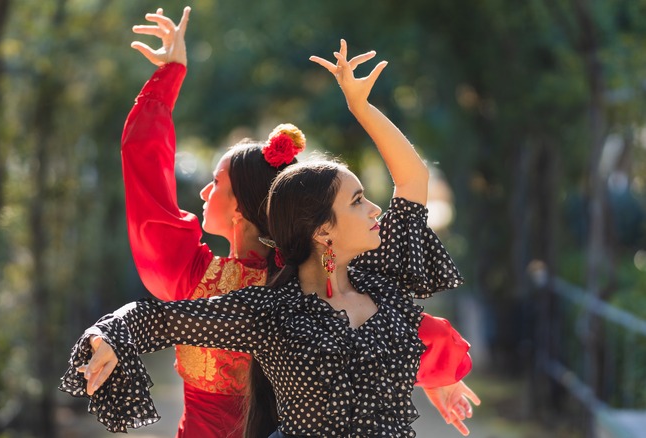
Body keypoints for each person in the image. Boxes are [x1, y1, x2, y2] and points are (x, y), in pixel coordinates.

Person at [61, 10, 479, 435]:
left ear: (242, 204)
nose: (204, 192)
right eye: (358, 201)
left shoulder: (317, 284)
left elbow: (403, 328)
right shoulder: (279, 297)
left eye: (215, 182)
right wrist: (112, 333)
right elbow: (151, 319)